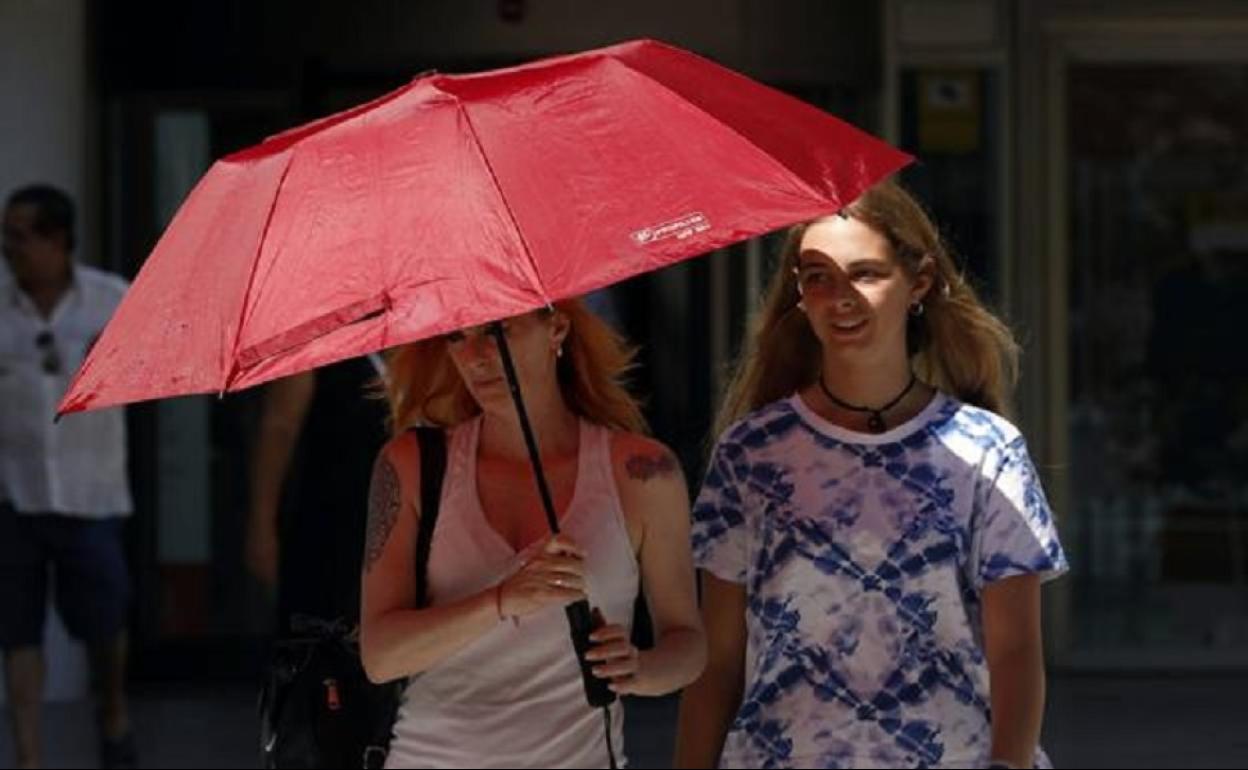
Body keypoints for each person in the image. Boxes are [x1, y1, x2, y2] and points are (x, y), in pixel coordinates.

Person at [673, 179, 1068, 769]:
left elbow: (1015, 651)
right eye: (816, 277)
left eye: (865, 274)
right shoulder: (751, 454)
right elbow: (721, 660)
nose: (840, 298)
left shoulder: (988, 450)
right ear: (799, 296)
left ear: (921, 282)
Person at [360, 300, 706, 768]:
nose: (477, 355)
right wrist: (501, 600)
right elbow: (381, 655)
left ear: (556, 329)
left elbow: (687, 644)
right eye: (458, 336)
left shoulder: (643, 472)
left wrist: (638, 669)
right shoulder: (412, 464)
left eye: (499, 330)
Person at [0, 184, 136, 769]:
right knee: (17, 631)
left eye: (19, 235)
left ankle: (112, 708)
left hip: (92, 495)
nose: (7, 247)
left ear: (57, 239)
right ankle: (28, 754)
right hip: (14, 493)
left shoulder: (111, 301)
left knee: (105, 624)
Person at [244, 355, 389, 633]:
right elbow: (279, 427)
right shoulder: (314, 336)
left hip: (399, 507)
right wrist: (261, 522)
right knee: (321, 628)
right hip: (330, 512)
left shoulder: (418, 330)